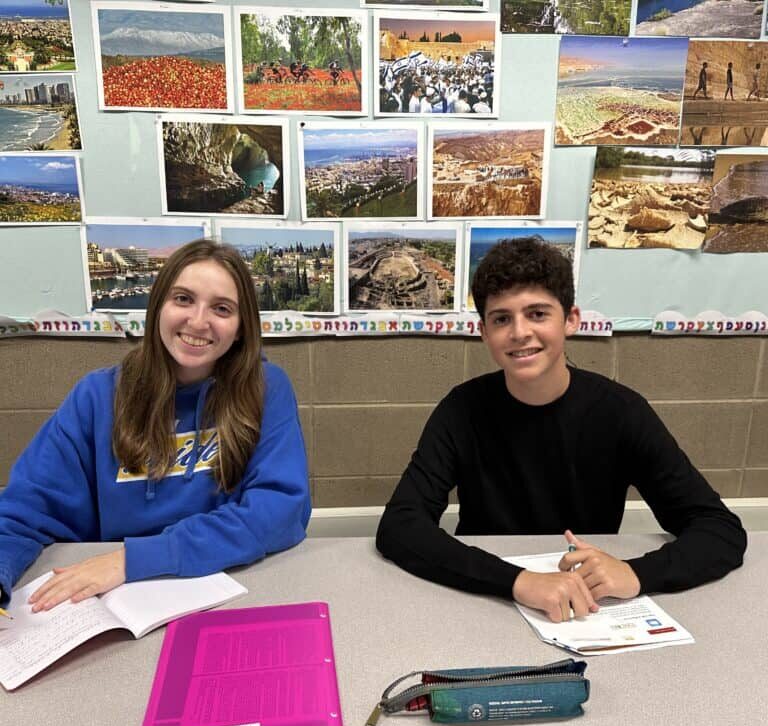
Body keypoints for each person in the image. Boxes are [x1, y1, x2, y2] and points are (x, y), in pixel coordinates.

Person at [376, 237, 746, 623]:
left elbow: (720, 530)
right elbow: (401, 526)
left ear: (571, 320)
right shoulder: (462, 409)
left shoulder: (621, 412)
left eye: (537, 314)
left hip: (589, 608)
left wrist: (636, 573)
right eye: (502, 319)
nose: (519, 332)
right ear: (484, 331)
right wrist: (519, 581)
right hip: (489, 599)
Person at [0, 239, 311, 611]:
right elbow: (23, 512)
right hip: (116, 601)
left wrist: (134, 559)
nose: (198, 321)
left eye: (222, 308)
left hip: (227, 584)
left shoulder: (265, 388)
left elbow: (280, 511)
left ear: (242, 327)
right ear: (158, 306)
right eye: (182, 299)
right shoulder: (98, 396)